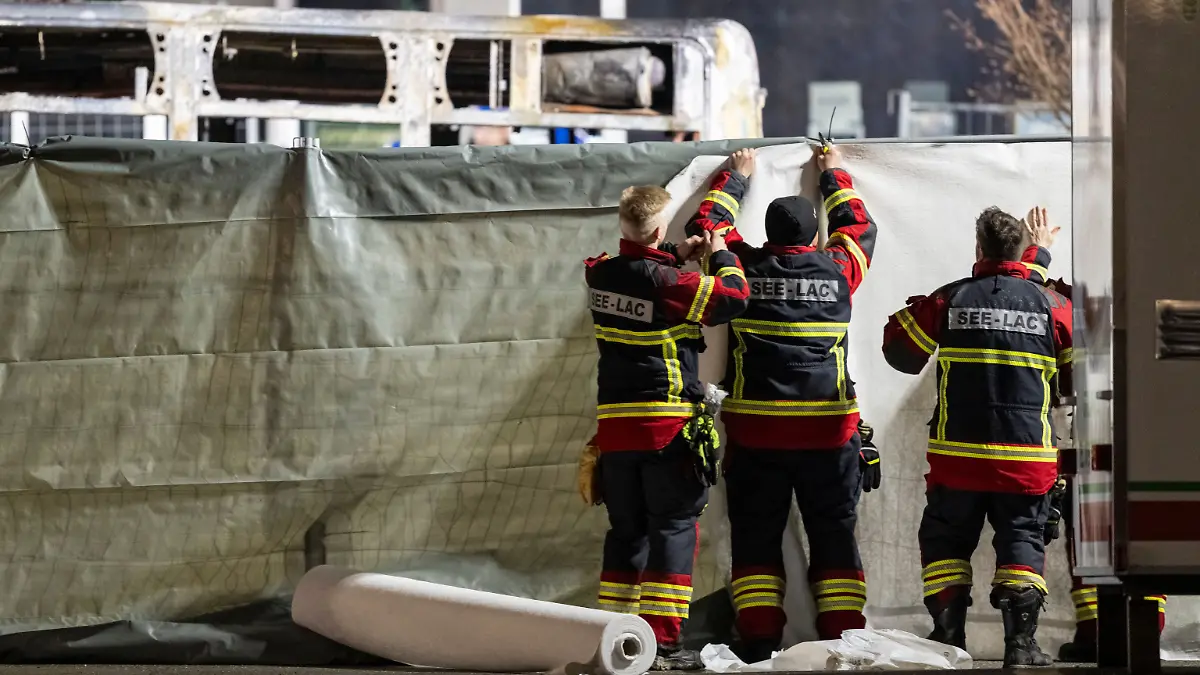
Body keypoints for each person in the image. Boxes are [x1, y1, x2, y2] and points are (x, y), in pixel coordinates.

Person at [686, 143, 879, 660]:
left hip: (756, 435)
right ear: (816, 236)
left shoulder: (740, 270)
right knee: (834, 537)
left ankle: (759, 642)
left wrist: (737, 177)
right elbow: (860, 230)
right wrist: (833, 172)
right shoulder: (838, 270)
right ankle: (844, 642)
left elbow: (711, 230)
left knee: (755, 539)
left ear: (768, 234)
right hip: (829, 433)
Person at [582, 149, 755, 671]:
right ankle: (664, 643)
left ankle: (613, 634)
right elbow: (733, 296)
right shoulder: (672, 286)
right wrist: (720, 250)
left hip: (615, 432)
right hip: (667, 428)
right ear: (658, 230)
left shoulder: (600, 273)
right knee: (674, 530)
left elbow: (644, 277)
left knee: (626, 534)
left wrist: (678, 251)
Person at [881, 206, 1073, 667]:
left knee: (946, 543)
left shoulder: (950, 300)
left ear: (977, 249)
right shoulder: (1054, 306)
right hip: (1027, 459)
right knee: (1022, 541)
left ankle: (948, 637)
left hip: (957, 460)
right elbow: (1075, 383)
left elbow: (899, 354)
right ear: (1019, 252)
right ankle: (1021, 648)